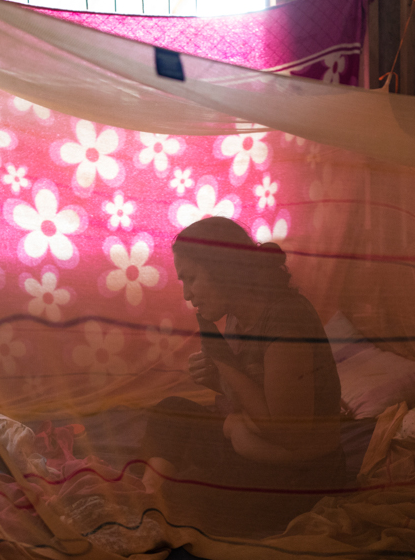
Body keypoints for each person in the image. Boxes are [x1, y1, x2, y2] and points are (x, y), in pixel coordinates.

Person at [142, 217, 347, 535]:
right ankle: (149, 490)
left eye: (192, 279)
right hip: (254, 449)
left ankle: (160, 498)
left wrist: (223, 363)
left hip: (299, 477)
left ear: (223, 269)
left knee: (191, 502)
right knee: (172, 410)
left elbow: (287, 435)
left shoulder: (285, 319)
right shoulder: (238, 316)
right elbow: (250, 395)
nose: (186, 295)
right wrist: (218, 383)